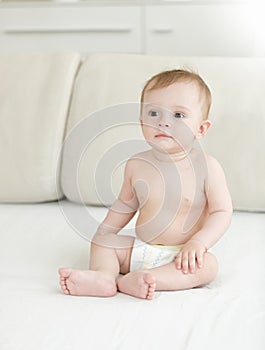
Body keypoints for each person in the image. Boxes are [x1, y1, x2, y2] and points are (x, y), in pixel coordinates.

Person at [59, 69, 233, 300]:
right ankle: (104, 276)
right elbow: (125, 204)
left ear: (201, 129)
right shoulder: (136, 164)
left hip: (180, 255)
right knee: (103, 243)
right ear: (142, 123)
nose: (163, 122)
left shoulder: (208, 168)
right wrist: (105, 231)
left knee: (208, 266)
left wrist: (199, 243)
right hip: (139, 248)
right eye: (154, 113)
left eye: (179, 115)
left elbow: (222, 212)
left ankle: (149, 279)